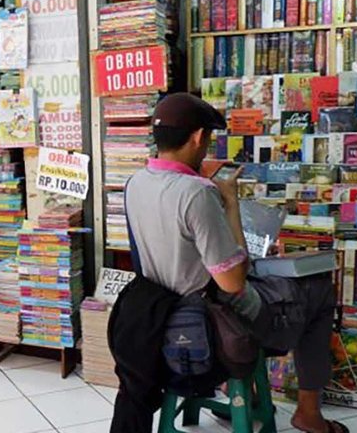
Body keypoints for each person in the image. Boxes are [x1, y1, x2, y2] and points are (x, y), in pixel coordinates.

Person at [110, 93, 341, 433]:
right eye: (208, 140)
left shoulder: (135, 182)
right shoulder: (196, 193)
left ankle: (242, 392)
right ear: (198, 137)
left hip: (160, 314)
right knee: (320, 289)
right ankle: (308, 412)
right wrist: (230, 204)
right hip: (210, 321)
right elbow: (233, 282)